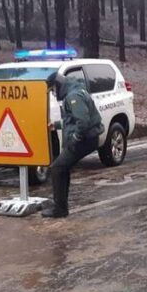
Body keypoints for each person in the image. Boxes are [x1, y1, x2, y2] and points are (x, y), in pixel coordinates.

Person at [44, 72, 104, 218]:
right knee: (63, 168)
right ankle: (61, 205)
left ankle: (60, 208)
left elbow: (82, 121)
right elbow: (73, 119)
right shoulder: (75, 91)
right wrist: (57, 125)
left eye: (52, 90)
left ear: (58, 85)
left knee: (57, 168)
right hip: (89, 138)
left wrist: (75, 139)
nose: (53, 93)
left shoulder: (73, 96)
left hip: (84, 140)